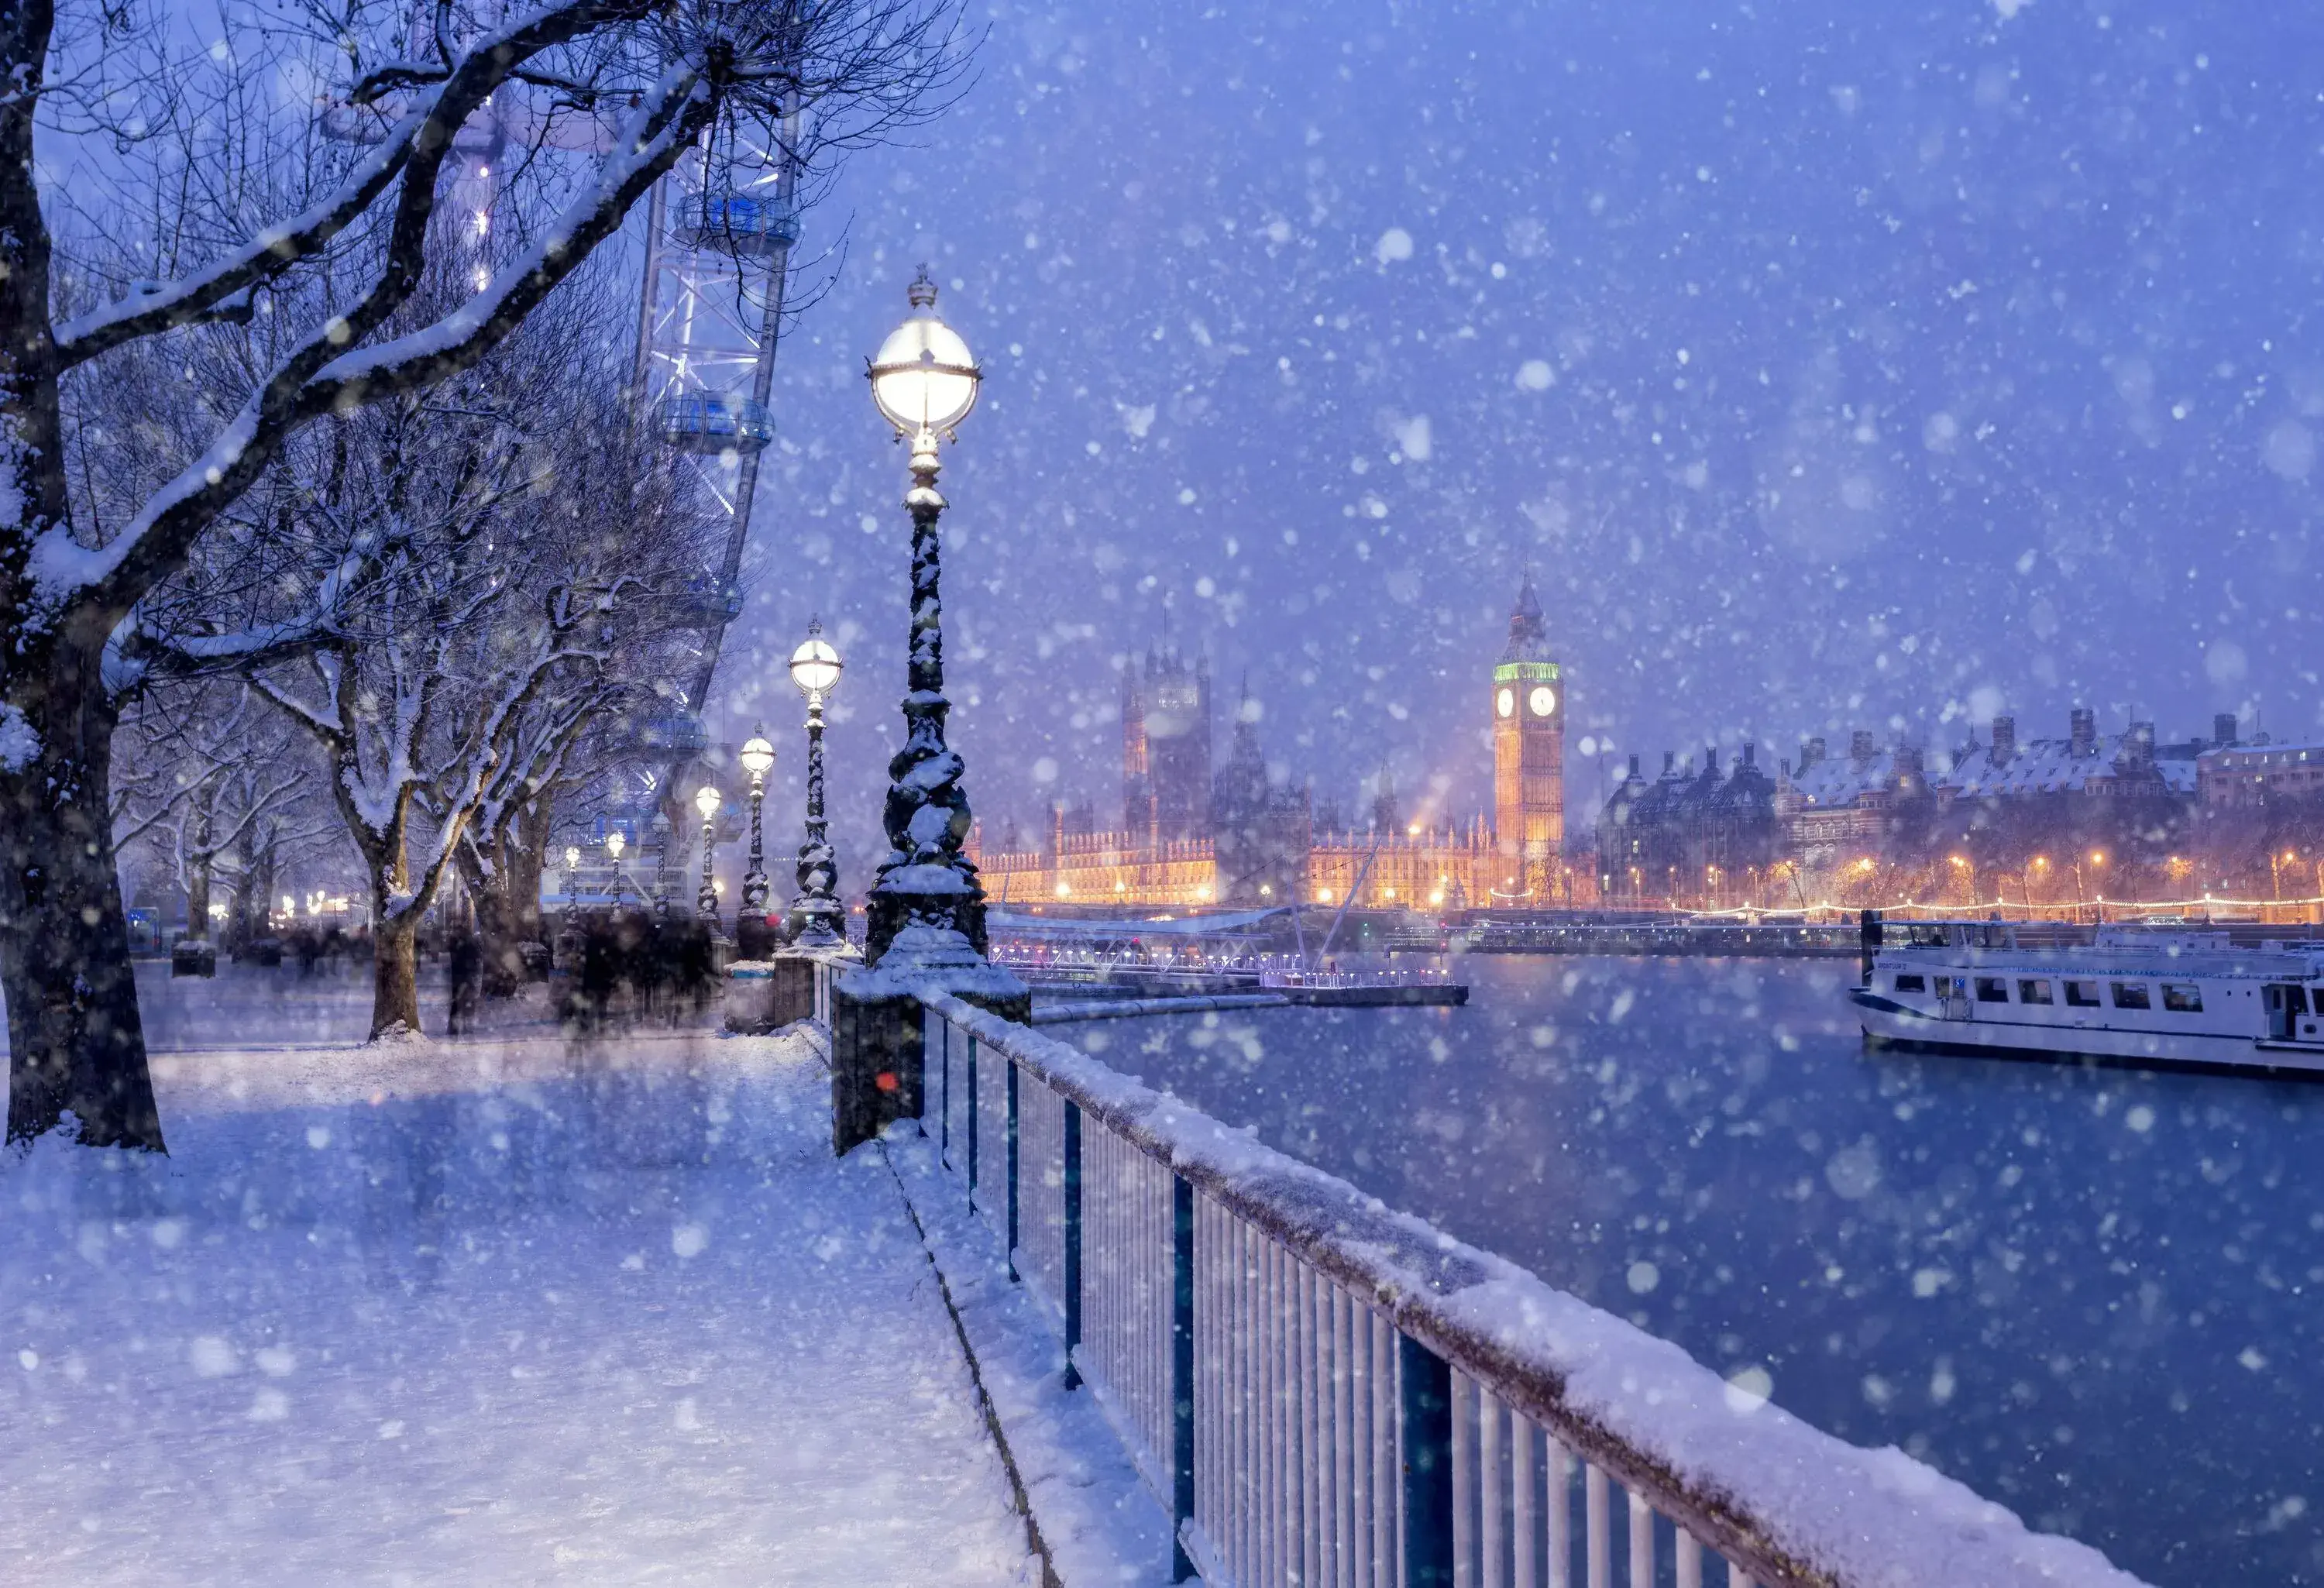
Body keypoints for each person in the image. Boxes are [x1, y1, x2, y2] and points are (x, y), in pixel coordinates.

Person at [447, 929, 483, 1036]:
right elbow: (477, 960)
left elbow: (455, 960)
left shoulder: (457, 945)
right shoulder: (471, 944)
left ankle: (455, 1028)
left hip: (459, 977)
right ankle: (466, 1026)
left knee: (457, 1003)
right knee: (467, 1002)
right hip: (467, 977)